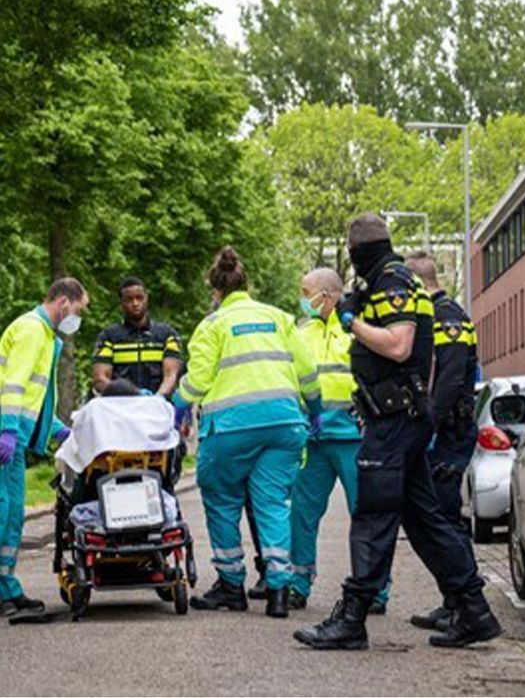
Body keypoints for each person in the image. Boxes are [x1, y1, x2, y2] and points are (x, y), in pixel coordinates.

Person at [293, 213, 501, 651]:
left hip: (394, 419)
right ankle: (474, 609)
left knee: (373, 514)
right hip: (401, 416)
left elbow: (399, 344)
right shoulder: (390, 280)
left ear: (357, 251)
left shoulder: (391, 281)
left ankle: (353, 618)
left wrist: (352, 323)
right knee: (424, 519)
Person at [172, 247, 323, 618]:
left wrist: (175, 404)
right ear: (247, 284)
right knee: (272, 504)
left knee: (222, 500)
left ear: (215, 292)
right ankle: (278, 591)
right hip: (285, 424)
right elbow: (307, 371)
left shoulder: (212, 325)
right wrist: (315, 410)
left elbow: (200, 378)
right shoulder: (280, 318)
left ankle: (231, 586)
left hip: (232, 428)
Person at [287, 267, 388, 613]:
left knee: (365, 514)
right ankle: (298, 583)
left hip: (353, 435)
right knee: (302, 513)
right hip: (314, 438)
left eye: (306, 291)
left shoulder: (356, 328)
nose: (303, 298)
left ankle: (375, 590)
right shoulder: (301, 333)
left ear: (326, 296)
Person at [0, 277, 87, 615]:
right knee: (5, 512)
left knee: (11, 516)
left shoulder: (44, 336)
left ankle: (7, 587)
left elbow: (35, 398)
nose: (76, 319)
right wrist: (6, 429)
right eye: (78, 310)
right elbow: (13, 386)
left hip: (15, 435)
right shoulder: (33, 330)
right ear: (64, 302)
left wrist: (57, 430)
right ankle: (5, 590)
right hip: (7, 435)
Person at [404, 251, 480, 633]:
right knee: (437, 515)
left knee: (445, 516)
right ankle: (453, 600)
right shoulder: (433, 315)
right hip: (442, 431)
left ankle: (464, 605)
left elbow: (448, 381)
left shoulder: (447, 317)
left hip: (448, 433)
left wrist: (427, 425)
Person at [91, 277, 184, 398]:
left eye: (139, 298)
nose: (135, 303)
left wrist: (157, 398)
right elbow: (100, 378)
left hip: (157, 408)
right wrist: (131, 396)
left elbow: (171, 375)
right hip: (122, 408)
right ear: (121, 304)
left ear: (147, 298)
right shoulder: (109, 337)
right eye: (129, 299)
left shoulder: (167, 335)